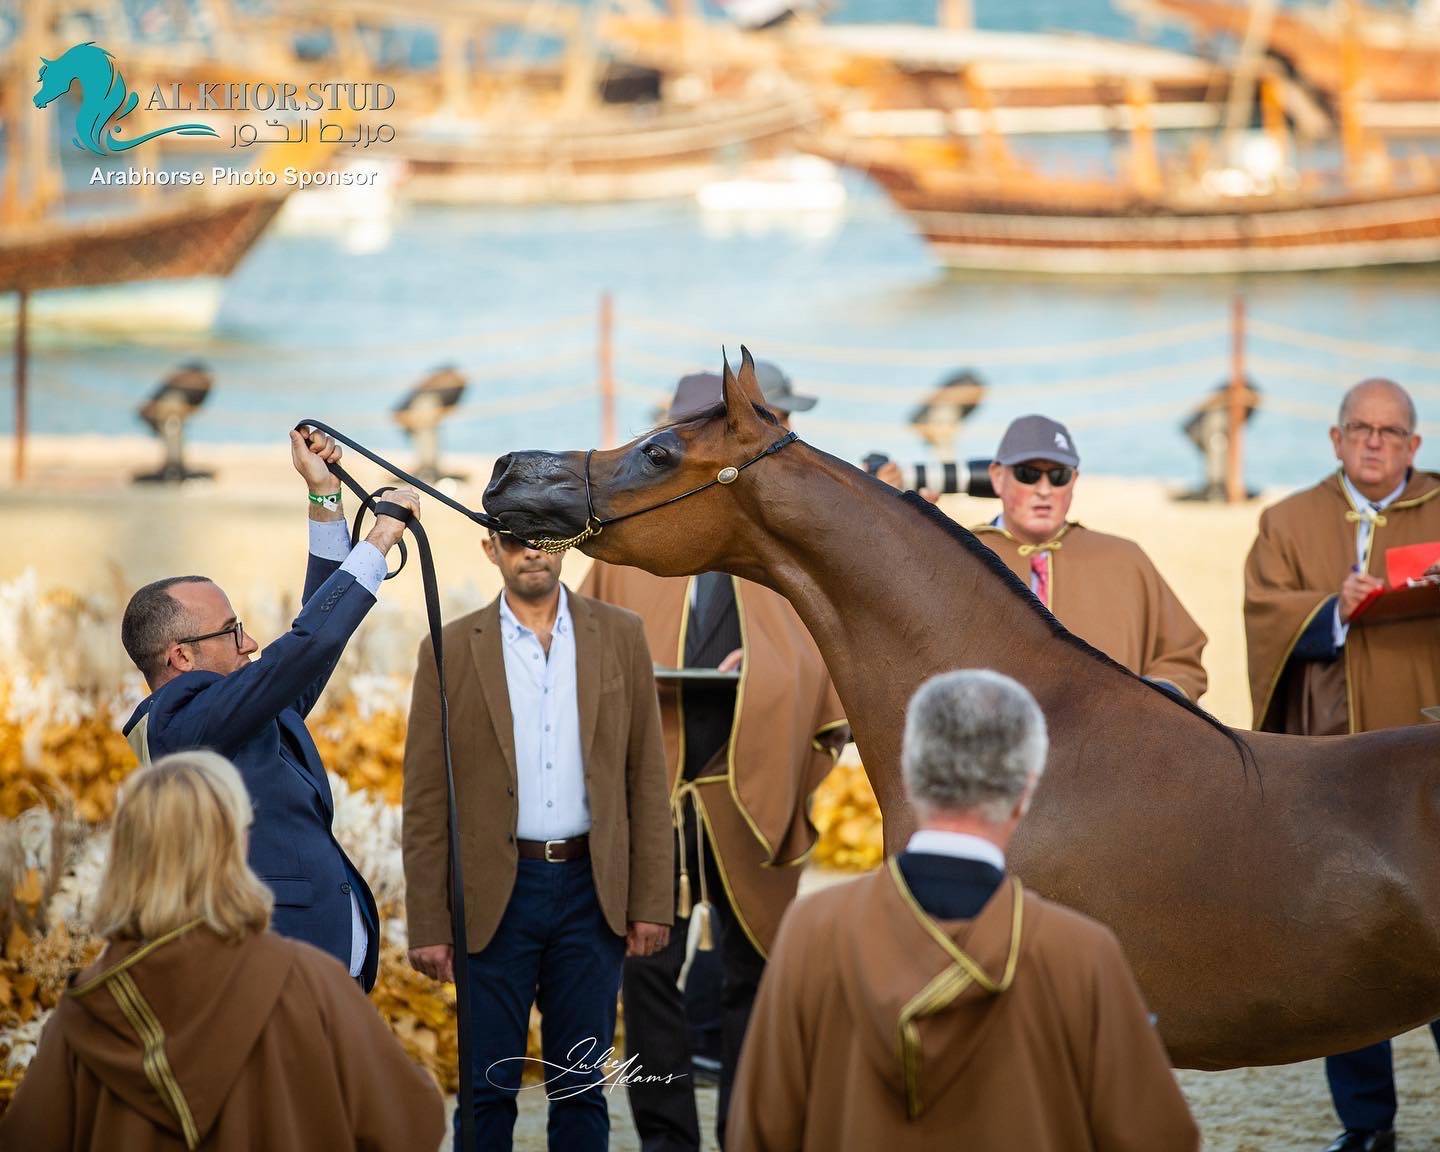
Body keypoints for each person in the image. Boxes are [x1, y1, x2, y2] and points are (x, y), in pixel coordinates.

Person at [726, 670, 1201, 1152]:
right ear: (1026, 791)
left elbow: (760, 1132)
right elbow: (1158, 1138)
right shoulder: (1081, 954)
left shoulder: (812, 933)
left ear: (909, 778)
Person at [581, 365, 848, 1152]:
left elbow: (824, 673)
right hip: (653, 797)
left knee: (754, 976)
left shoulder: (787, 549)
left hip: (749, 792)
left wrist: (762, 676)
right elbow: (589, 660)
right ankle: (668, 1143)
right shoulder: (627, 550)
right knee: (648, 980)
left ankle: (747, 1135)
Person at [0, 750, 444, 1152]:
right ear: (240, 846)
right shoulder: (311, 983)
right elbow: (414, 1122)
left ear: (125, 856)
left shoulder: (87, 1010)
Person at [119, 429, 420, 991]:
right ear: (180, 656)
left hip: (322, 975)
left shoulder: (233, 714)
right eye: (232, 631)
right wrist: (377, 541)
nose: (251, 641)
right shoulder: (181, 721)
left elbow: (308, 645)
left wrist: (324, 497)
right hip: (276, 981)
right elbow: (303, 647)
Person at [402, 527, 673, 1152]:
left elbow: (646, 777)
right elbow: (424, 797)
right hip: (493, 895)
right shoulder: (446, 648)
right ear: (490, 548)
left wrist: (651, 900)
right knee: (486, 1090)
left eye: (546, 537)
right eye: (517, 539)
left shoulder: (621, 633)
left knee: (581, 1092)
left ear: (566, 545)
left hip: (590, 891)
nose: (534, 551)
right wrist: (429, 922)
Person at [1244, 377, 1440, 1152]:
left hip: (1427, 764)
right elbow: (1263, 610)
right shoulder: (1287, 519)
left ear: (1415, 446)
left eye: (1391, 433)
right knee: (1347, 947)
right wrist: (1332, 607)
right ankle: (1367, 1127)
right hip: (1334, 767)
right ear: (1334, 439)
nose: (1373, 443)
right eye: (1359, 428)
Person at [970, 414, 1208, 701]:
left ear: (1074, 481)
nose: (1044, 490)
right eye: (1028, 474)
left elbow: (1182, 656)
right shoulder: (961, 554)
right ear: (997, 477)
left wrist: (1149, 701)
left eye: (1058, 476)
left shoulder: (1124, 559)